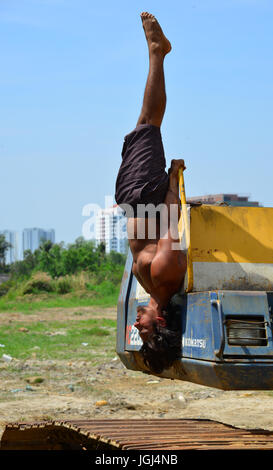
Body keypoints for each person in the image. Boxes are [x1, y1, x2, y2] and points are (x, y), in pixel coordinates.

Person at [115, 12, 187, 374]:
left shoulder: (156, 286)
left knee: (143, 127)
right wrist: (173, 179)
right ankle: (157, 52)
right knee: (148, 124)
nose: (136, 328)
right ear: (159, 325)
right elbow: (171, 220)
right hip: (147, 194)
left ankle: (158, 52)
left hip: (134, 198)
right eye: (143, 333)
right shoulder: (166, 275)